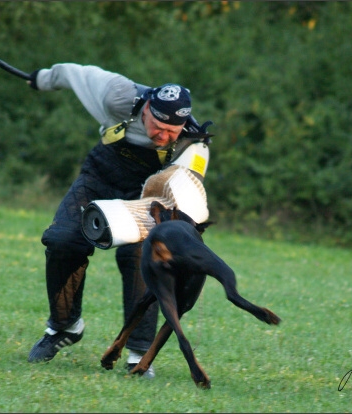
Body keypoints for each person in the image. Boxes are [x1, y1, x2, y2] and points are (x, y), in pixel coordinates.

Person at [25, 63, 212, 378]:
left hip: (147, 193)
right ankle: (64, 326)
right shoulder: (118, 96)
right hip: (99, 174)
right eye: (157, 126)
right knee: (62, 240)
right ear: (148, 107)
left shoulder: (194, 146)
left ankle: (138, 353)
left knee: (142, 256)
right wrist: (43, 80)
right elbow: (74, 73)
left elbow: (182, 196)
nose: (162, 136)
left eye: (171, 132)